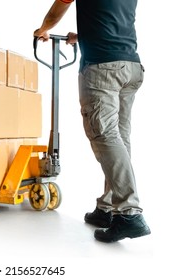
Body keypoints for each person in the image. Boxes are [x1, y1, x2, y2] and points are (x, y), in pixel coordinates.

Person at [34, 0, 151, 243]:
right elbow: (112, 17)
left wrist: (43, 29)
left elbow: (59, 8)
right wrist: (83, 36)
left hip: (103, 67)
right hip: (130, 66)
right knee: (118, 138)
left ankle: (129, 212)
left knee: (105, 136)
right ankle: (108, 208)